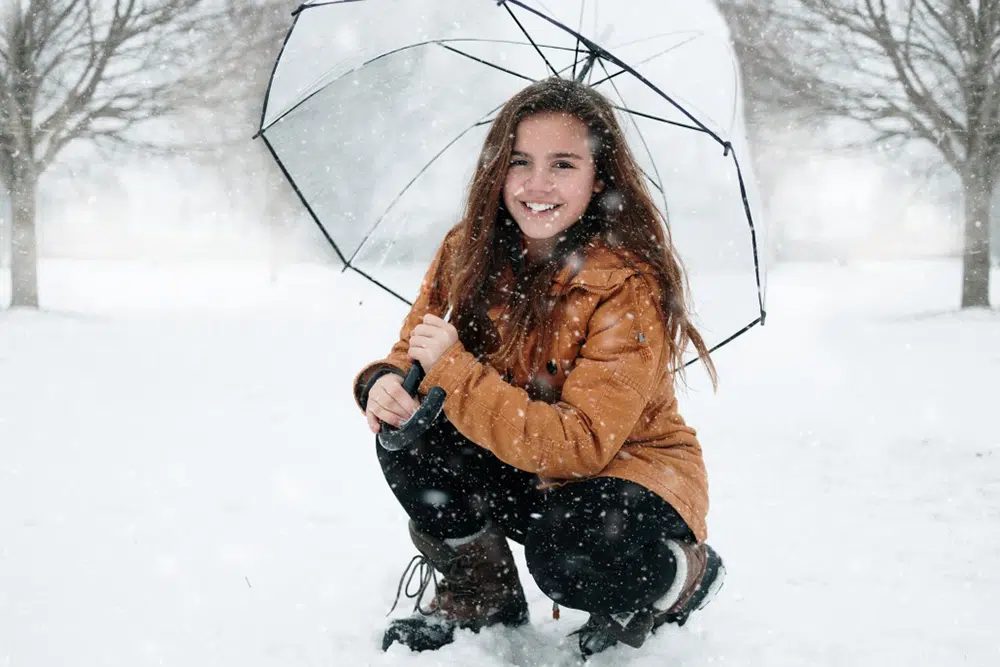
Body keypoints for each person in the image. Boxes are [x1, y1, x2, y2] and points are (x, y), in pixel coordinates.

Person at [352, 77, 725, 657]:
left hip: (623, 476)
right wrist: (385, 385)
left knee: (569, 554)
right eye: (520, 161)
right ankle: (483, 590)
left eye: (563, 165)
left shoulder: (626, 284)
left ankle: (682, 577)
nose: (536, 184)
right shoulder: (468, 249)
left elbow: (580, 445)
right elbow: (417, 350)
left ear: (598, 178)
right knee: (409, 432)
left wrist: (452, 370)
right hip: (524, 463)